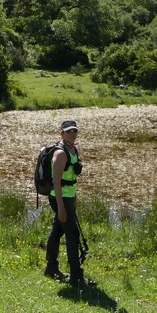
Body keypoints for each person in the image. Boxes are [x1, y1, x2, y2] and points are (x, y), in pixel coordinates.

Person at [44, 119, 96, 288]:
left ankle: (51, 268)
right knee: (72, 235)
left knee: (58, 230)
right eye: (68, 131)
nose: (72, 134)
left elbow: (72, 179)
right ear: (62, 133)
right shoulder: (60, 154)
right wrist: (61, 208)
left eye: (74, 131)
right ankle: (76, 277)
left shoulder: (73, 149)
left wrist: (72, 202)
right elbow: (57, 182)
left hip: (68, 197)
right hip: (59, 197)